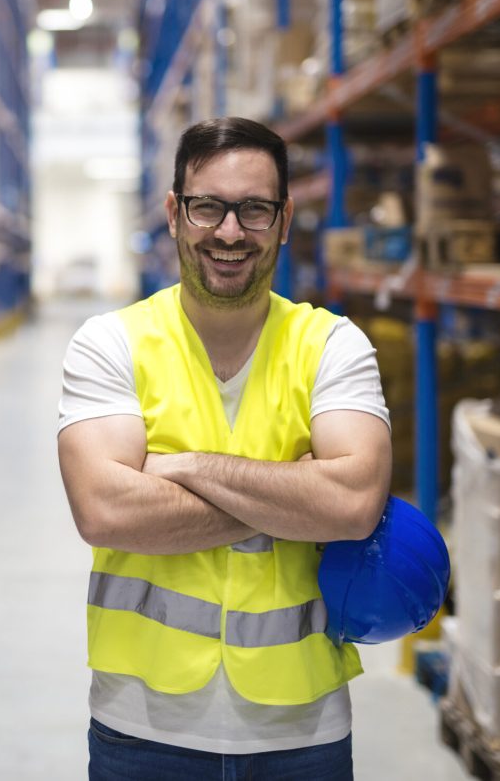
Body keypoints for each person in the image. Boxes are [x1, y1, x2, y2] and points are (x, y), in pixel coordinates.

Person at [57, 116, 392, 780]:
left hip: (302, 730)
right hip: (143, 730)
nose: (230, 232)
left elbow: (353, 504)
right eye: (208, 206)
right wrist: (295, 494)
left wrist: (179, 469)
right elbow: (104, 511)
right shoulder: (110, 344)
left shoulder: (332, 345)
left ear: (286, 219)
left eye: (255, 210)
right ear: (175, 214)